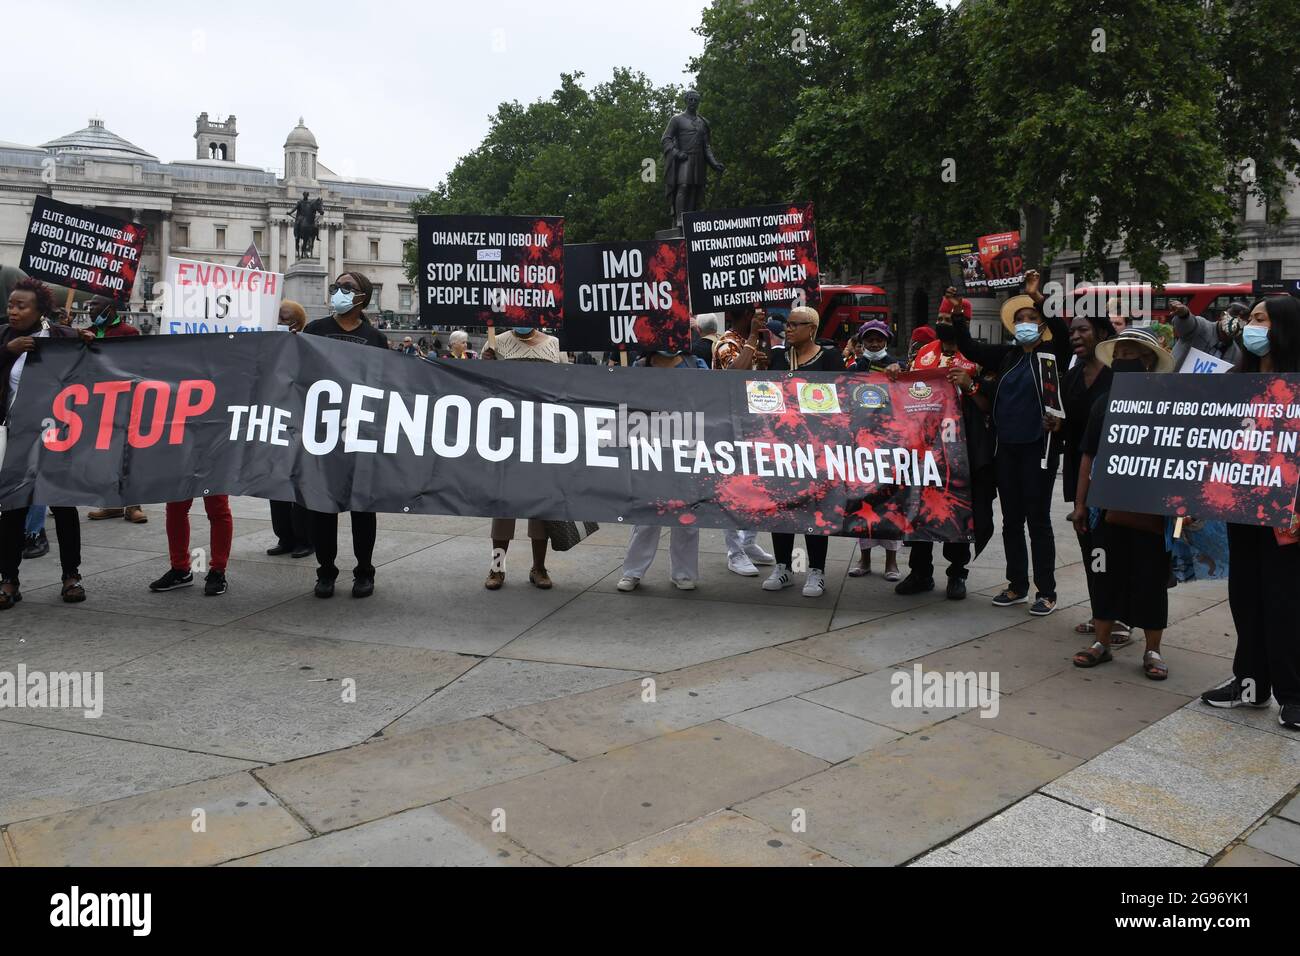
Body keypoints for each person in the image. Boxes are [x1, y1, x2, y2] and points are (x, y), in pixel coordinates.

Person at [1201, 294, 1300, 729]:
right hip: (1242, 508)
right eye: (1251, 319)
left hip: (1287, 516)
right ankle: (1250, 683)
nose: (1251, 326)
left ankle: (1293, 694)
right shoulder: (1235, 380)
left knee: (1284, 602)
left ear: (1283, 326)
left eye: (1260, 319)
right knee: (1245, 597)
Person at [953, 269, 1071, 616]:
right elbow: (970, 347)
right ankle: (1017, 584)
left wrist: (1036, 296)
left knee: (1038, 521)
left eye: (1030, 318)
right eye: (1019, 319)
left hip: (1039, 449)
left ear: (1041, 323)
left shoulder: (1053, 354)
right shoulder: (1008, 357)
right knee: (1011, 521)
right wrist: (959, 315)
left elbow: (1063, 331)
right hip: (1006, 449)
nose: (1024, 323)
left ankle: (1046, 591)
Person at [1070, 328, 1176, 679]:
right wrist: (1081, 504)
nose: (1122, 361)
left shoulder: (1167, 404)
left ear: (1148, 361)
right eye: (1119, 355)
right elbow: (1088, 456)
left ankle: (1153, 650)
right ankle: (1101, 644)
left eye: (1130, 355)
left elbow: (1181, 455)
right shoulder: (1104, 403)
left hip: (1151, 511)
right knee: (1104, 576)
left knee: (1150, 579)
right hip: (1106, 511)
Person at [893, 293, 997, 598]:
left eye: (948, 319)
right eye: (939, 319)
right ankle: (920, 572)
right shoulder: (923, 353)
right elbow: (907, 395)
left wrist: (971, 385)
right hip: (924, 448)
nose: (942, 324)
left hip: (963, 448)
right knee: (920, 507)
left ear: (963, 321)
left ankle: (957, 574)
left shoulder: (978, 357)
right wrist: (896, 377)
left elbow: (990, 405)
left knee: (959, 510)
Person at [1, 278, 92, 609]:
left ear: (40, 311)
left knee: (63, 505)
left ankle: (71, 576)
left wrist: (87, 341)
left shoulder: (61, 337)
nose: (12, 311)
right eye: (11, 304)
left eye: (21, 306)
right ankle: (9, 579)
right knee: (13, 509)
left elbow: (90, 368)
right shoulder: (4, 338)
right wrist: (5, 353)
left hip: (58, 436)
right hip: (16, 438)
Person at [302, 272, 389, 598]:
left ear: (362, 297)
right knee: (322, 506)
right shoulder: (316, 330)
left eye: (347, 288)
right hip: (322, 432)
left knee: (363, 506)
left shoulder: (375, 338)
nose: (339, 292)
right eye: (336, 287)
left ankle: (364, 571)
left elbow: (387, 383)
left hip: (360, 432)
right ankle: (326, 571)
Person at [762, 306, 844, 597]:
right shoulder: (777, 356)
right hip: (781, 445)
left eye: (796, 324)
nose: (789, 329)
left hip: (816, 446)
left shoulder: (830, 356)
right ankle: (784, 566)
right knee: (781, 507)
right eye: (788, 324)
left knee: (814, 509)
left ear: (812, 328)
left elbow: (840, 397)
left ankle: (816, 571)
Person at [1060, 309, 1127, 640]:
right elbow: (1067, 426)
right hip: (1079, 474)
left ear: (1102, 334)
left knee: (1115, 548)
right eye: (1071, 332)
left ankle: (1123, 616)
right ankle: (1101, 611)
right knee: (1090, 548)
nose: (1074, 336)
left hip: (1115, 476)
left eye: (1082, 330)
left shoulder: (1120, 375)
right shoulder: (1069, 379)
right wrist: (1056, 425)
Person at [485, 324, 569, 590]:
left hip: (543, 436)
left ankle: (539, 567)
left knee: (540, 505)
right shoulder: (494, 343)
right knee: (503, 506)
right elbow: (481, 387)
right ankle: (497, 567)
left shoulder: (555, 345)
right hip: (508, 435)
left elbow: (566, 388)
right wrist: (485, 364)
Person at [617, 347, 708, 592]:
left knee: (687, 512)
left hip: (687, 444)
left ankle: (684, 573)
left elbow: (710, 397)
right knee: (647, 513)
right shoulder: (641, 365)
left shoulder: (694, 363)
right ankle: (633, 571)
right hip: (651, 446)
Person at [711, 305, 777, 576]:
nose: (763, 319)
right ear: (748, 317)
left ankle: (748, 542)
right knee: (733, 489)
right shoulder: (726, 343)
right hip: (730, 426)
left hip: (755, 425)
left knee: (757, 487)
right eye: (757, 315)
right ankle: (734, 551)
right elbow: (735, 372)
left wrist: (762, 353)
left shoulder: (752, 341)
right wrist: (752, 339)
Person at [846, 319, 904, 581]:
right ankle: (865, 558)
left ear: (886, 341)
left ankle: (892, 562)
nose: (874, 343)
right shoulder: (855, 367)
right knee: (864, 502)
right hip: (862, 443)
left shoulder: (897, 365)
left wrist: (900, 370)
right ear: (862, 342)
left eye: (878, 339)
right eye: (869, 339)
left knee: (890, 503)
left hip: (890, 443)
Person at [83, 298, 148, 524]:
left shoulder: (128, 332)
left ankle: (133, 505)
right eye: (89, 307)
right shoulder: (86, 332)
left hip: (124, 399)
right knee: (105, 454)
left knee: (128, 453)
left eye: (94, 307)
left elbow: (138, 364)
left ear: (108, 309)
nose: (90, 310)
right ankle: (111, 504)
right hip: (97, 401)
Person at [266, 300, 313, 560]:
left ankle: (306, 539)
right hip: (277, 420)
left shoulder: (307, 347)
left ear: (294, 323)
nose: (277, 322)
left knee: (301, 485)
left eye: (281, 319)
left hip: (302, 423)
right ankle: (284, 536)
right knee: (276, 483)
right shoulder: (270, 346)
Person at [1170, 298, 1245, 371]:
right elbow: (1186, 325)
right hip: (1172, 381)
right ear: (1222, 316)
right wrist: (1184, 314)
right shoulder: (1201, 327)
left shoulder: (1235, 355)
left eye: (1242, 320)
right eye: (1233, 317)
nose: (1236, 323)